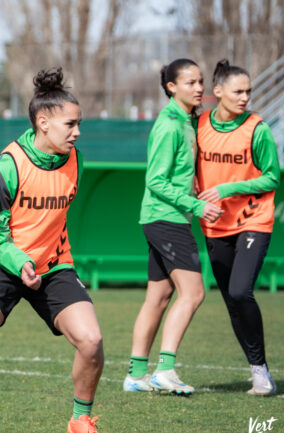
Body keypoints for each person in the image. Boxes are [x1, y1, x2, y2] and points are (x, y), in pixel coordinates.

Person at [0, 68, 104, 433]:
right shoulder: (8, 165)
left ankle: (80, 420)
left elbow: (47, 219)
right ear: (43, 122)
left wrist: (38, 258)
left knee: (92, 342)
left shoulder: (77, 160)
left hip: (53, 264)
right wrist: (20, 259)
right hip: (1, 262)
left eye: (79, 124)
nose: (77, 132)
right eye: (71, 124)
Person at [123, 58, 223, 396]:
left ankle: (136, 375)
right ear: (171, 87)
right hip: (166, 219)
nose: (199, 88)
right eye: (191, 83)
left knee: (159, 297)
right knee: (194, 293)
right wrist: (198, 205)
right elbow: (155, 181)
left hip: (163, 218)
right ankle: (165, 370)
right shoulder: (169, 125)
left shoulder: (185, 121)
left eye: (200, 82)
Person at [195, 59, 280, 396]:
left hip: (253, 220)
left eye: (248, 91)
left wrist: (229, 189)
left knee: (239, 291)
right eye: (238, 91)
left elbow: (272, 176)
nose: (245, 97)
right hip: (215, 224)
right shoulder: (198, 124)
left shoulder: (258, 129)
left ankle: (261, 372)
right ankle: (256, 370)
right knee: (232, 302)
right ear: (218, 92)